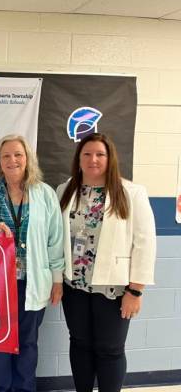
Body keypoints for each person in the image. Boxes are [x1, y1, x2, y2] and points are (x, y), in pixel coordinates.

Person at [57, 133, 156, 392]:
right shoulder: (65, 190)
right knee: (79, 343)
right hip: (74, 286)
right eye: (87, 154)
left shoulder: (131, 192)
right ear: (79, 158)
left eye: (100, 154)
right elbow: (56, 238)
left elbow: (145, 244)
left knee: (110, 350)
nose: (93, 159)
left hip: (114, 289)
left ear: (110, 158)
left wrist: (135, 290)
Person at [0, 134, 64, 392]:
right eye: (6, 156)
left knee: (27, 343)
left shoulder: (44, 194)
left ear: (28, 159)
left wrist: (57, 279)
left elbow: (55, 239)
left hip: (32, 281)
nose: (13, 160)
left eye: (18, 155)